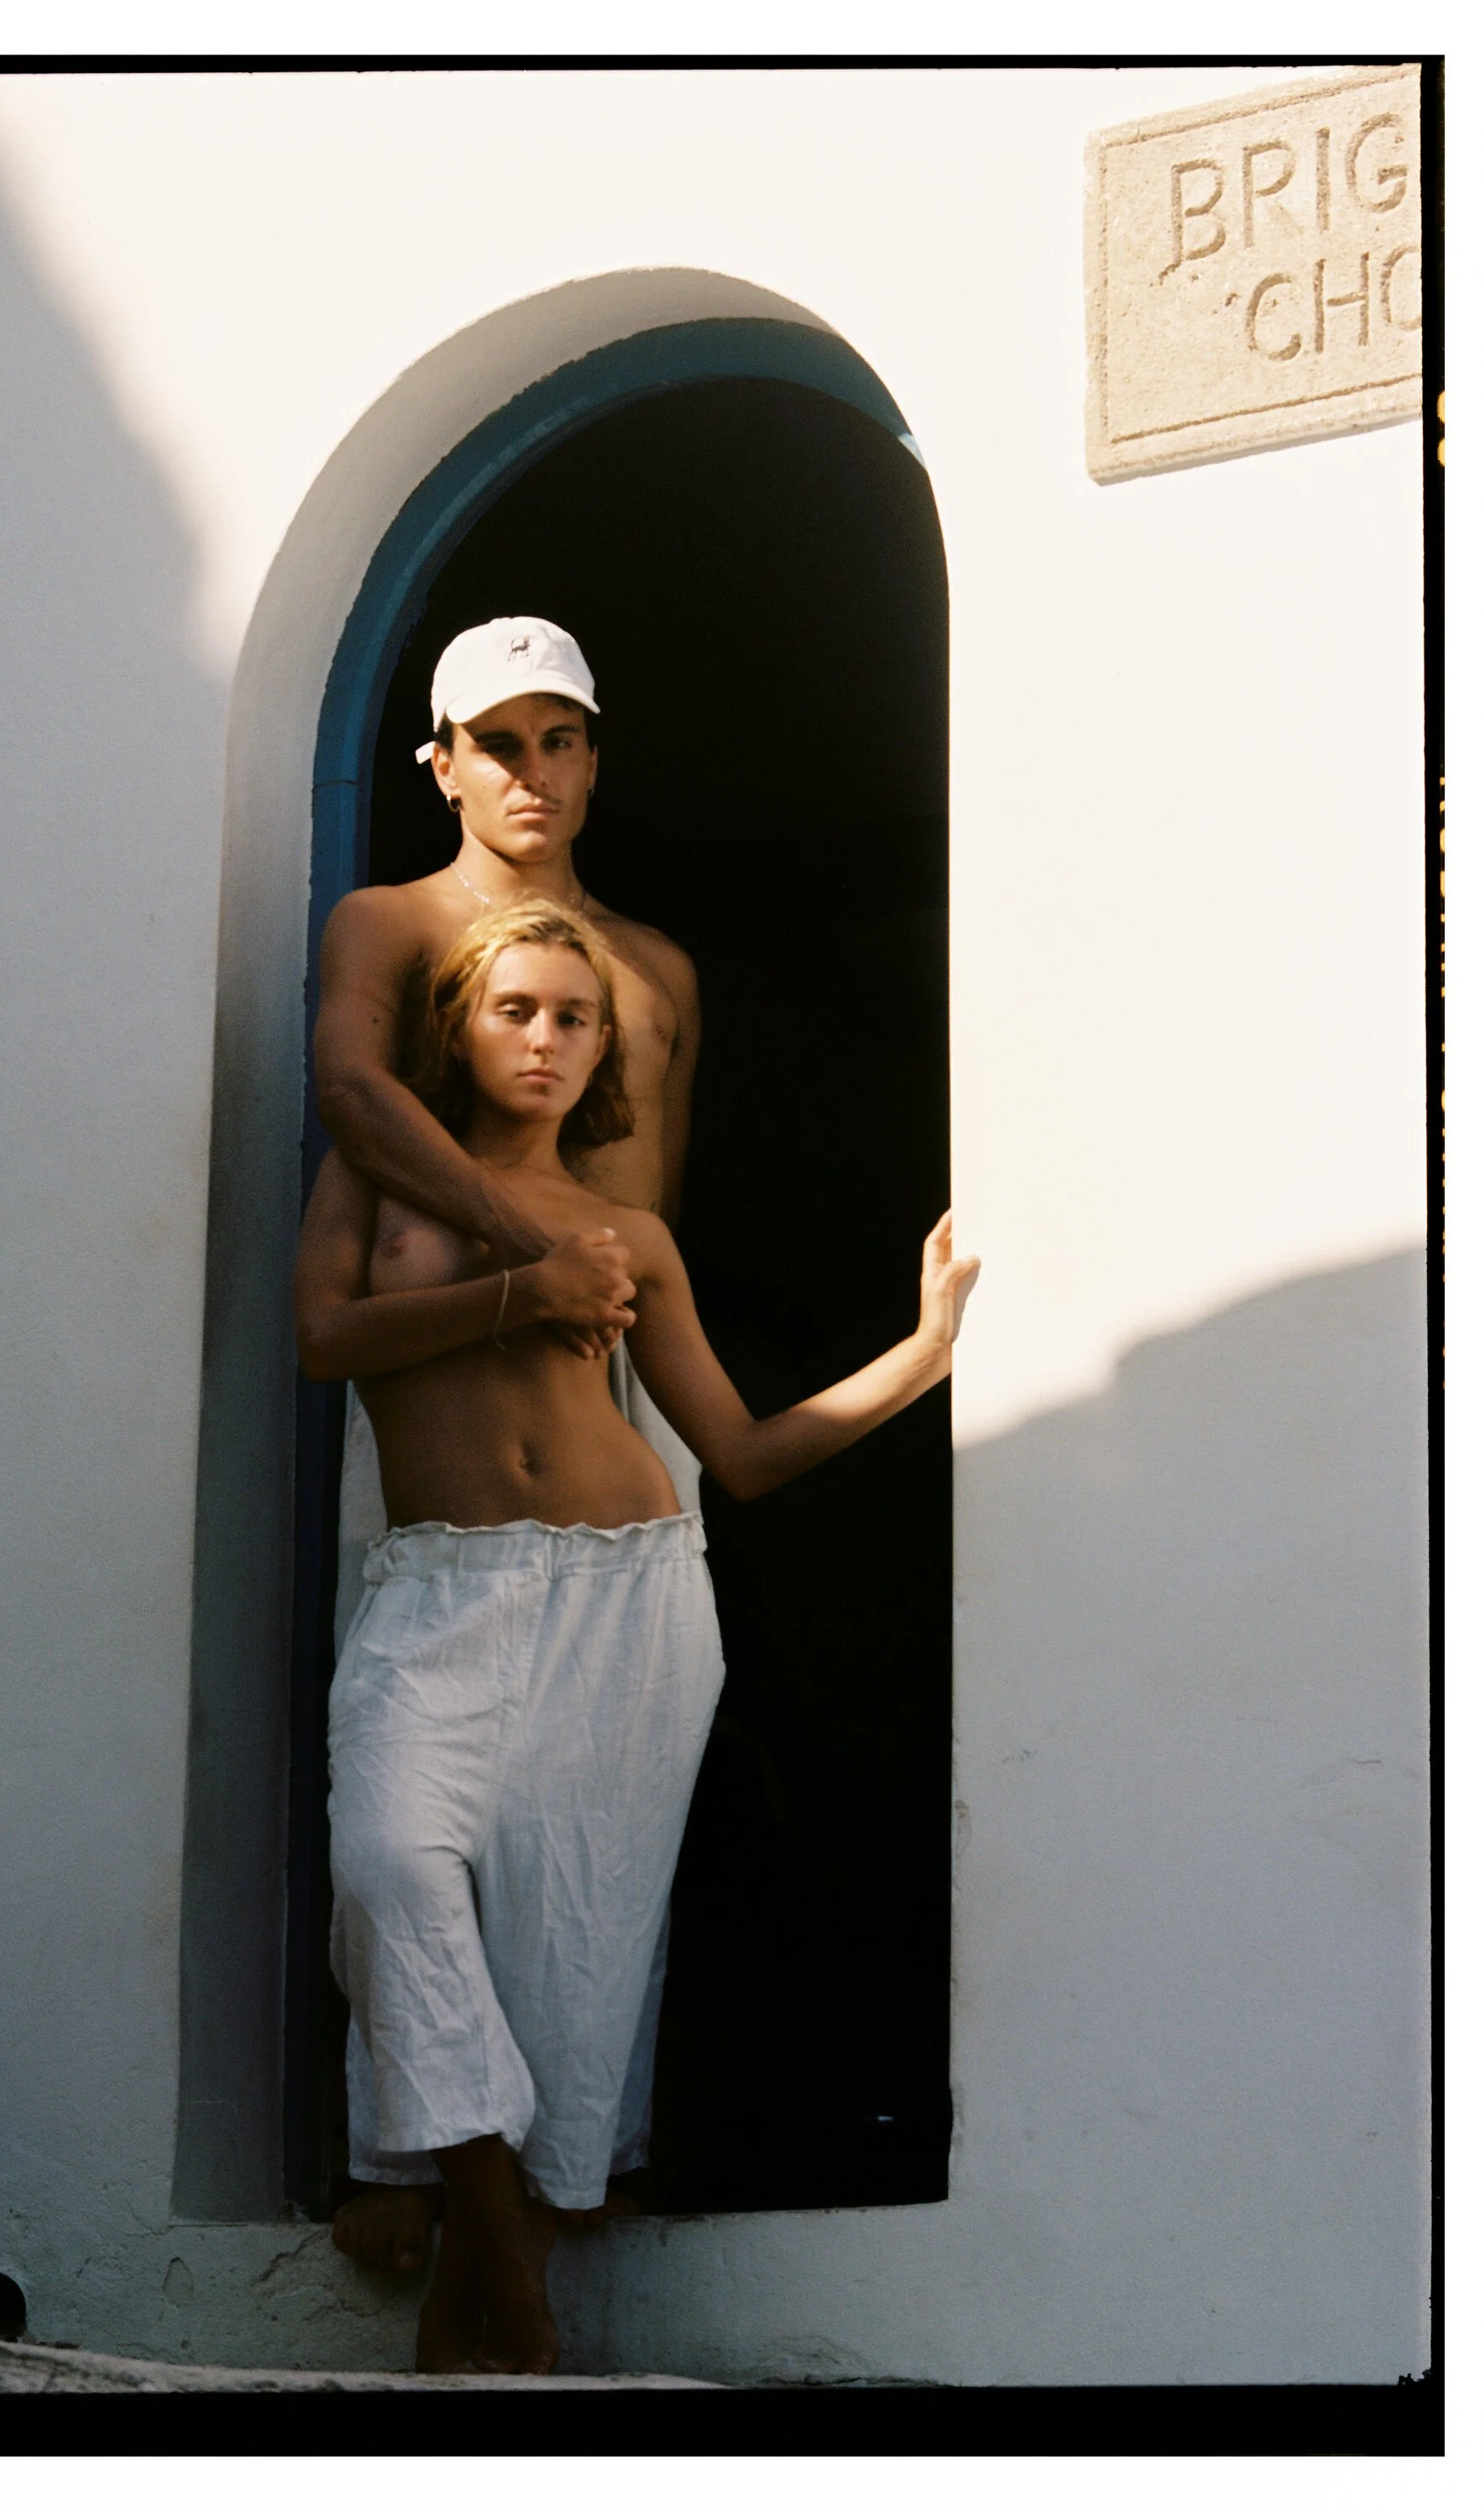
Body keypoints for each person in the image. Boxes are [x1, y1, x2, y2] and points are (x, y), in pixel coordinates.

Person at [294, 900, 978, 2373]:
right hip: (438, 1594)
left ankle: (470, 2301)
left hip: (629, 1597)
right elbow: (323, 1341)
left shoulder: (635, 1238)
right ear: (460, 1028)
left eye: (574, 1017)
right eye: (516, 1010)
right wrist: (514, 1294)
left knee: (574, 1951)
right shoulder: (374, 1180)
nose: (545, 1040)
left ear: (607, 1048)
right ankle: (517, 2299)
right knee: (390, 1871)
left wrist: (918, 1360)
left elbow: (734, 1451)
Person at [315, 618, 702, 2274]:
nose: (529, 771)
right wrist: (516, 1262)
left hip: (602, 1409)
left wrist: (601, 1317)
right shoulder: (394, 922)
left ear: (596, 755)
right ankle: (402, 2155)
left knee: (588, 1823)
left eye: (559, 739)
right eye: (497, 740)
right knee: (405, 1813)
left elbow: (643, 1205)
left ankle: (574, 2141)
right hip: (434, 1395)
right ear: (440, 760)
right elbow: (349, 1093)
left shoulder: (659, 970)